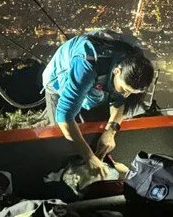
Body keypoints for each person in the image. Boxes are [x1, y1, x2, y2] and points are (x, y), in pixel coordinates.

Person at [42, 30, 155, 177]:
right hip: (59, 82)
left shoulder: (135, 66)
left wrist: (110, 131)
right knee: (63, 141)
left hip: (100, 85)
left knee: (96, 135)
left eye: (131, 93)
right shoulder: (87, 66)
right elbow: (64, 116)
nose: (126, 95)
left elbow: (120, 102)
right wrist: (89, 156)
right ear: (117, 71)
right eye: (124, 89)